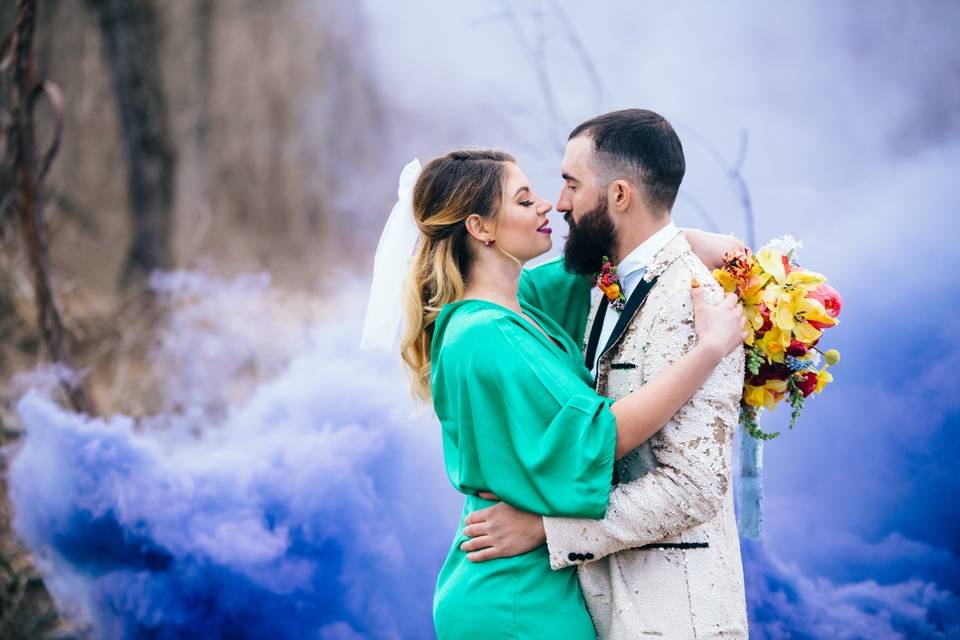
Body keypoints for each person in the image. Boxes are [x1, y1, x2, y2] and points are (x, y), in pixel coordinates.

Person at [394, 148, 746, 639]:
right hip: (515, 596)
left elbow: (622, 256)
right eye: (523, 200)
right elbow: (599, 436)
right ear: (480, 228)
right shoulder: (488, 334)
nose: (547, 206)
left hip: (534, 578)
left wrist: (689, 241)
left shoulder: (519, 306)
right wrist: (708, 351)